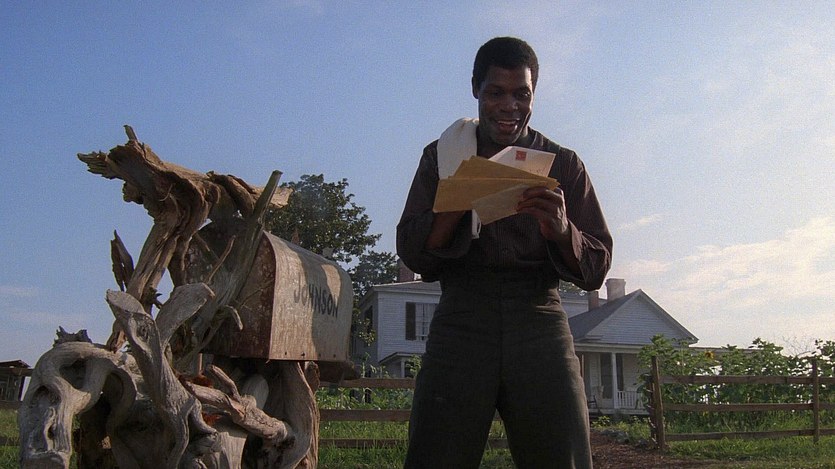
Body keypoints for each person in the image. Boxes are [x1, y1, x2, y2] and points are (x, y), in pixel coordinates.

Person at [396, 37, 612, 468]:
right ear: (475, 89)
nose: (509, 106)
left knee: (564, 457)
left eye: (521, 94)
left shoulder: (562, 163)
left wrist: (562, 230)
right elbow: (415, 255)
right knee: (435, 456)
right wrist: (457, 199)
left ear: (534, 94)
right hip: (462, 318)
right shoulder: (442, 156)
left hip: (539, 321)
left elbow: (596, 269)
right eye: (496, 92)